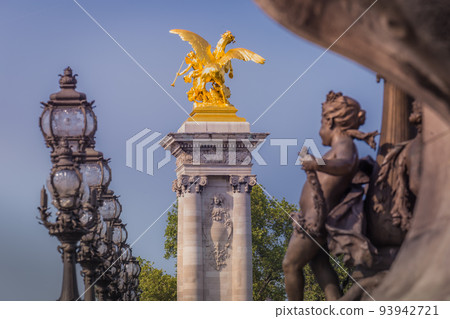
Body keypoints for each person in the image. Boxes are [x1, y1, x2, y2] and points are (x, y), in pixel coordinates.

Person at [283, 91, 378, 300]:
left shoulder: (344, 145)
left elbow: (346, 165)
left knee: (290, 265)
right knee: (319, 265)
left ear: (331, 121)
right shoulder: (341, 146)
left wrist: (317, 162)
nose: (320, 130)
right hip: (313, 218)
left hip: (314, 221)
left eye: (321, 123)